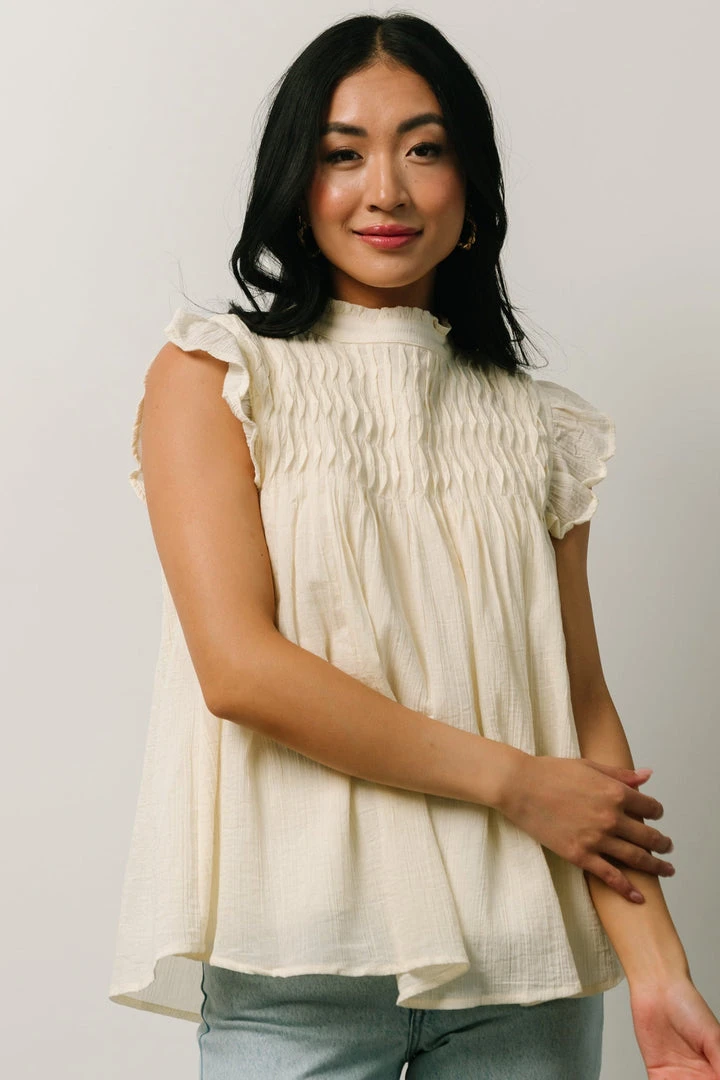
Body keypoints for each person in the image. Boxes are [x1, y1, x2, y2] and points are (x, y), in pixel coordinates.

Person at [108, 11, 720, 1079]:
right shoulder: (219, 375)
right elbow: (239, 670)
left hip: (525, 967)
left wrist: (659, 969)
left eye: (424, 150)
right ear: (296, 184)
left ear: (471, 189)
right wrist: (514, 783)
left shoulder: (540, 426)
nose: (384, 190)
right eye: (343, 154)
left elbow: (579, 704)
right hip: (298, 966)